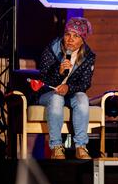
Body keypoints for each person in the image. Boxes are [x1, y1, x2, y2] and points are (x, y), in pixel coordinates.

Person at [38, 17, 95, 160]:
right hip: (49, 93)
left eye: (76, 36)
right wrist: (59, 72)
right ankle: (56, 146)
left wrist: (68, 87)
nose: (70, 39)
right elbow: (43, 79)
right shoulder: (52, 49)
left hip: (70, 93)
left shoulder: (88, 56)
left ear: (83, 39)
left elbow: (85, 83)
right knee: (57, 98)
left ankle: (81, 146)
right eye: (68, 34)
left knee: (82, 98)